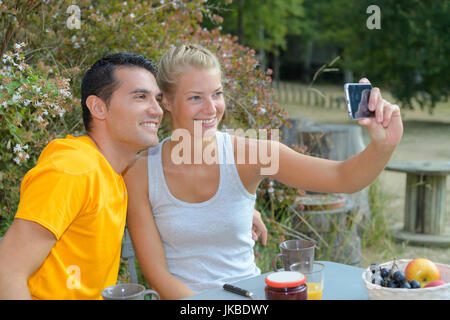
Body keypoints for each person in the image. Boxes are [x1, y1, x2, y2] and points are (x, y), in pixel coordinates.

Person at [123, 43, 403, 299]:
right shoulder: (141, 171)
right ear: (167, 102)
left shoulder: (251, 155)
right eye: (195, 97)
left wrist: (382, 145)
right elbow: (157, 274)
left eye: (217, 94)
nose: (211, 108)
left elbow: (343, 178)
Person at [0, 52, 164, 299]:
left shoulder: (112, 173)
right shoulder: (73, 169)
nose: (157, 110)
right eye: (141, 97)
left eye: (158, 99)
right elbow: (7, 272)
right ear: (98, 107)